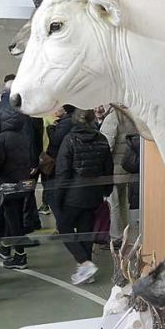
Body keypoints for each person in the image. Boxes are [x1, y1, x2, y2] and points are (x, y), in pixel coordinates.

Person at [52, 109, 113, 285]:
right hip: (94, 192)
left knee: (64, 227)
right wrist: (107, 190)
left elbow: (63, 172)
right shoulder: (101, 140)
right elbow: (108, 169)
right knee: (86, 229)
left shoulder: (69, 140)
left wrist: (58, 197)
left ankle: (84, 262)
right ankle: (87, 271)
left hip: (73, 192)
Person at [0, 91, 33, 270]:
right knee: (14, 219)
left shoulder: (1, 139)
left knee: (12, 220)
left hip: (7, 186)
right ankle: (8, 249)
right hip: (21, 183)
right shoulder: (23, 138)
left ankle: (20, 256)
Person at [98, 105, 140, 242]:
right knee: (123, 203)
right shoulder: (131, 117)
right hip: (127, 168)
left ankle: (116, 235)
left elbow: (106, 146)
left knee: (113, 203)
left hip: (113, 169)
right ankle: (125, 233)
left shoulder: (112, 118)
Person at [39, 105, 75, 215]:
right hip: (55, 160)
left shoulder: (65, 123)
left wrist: (51, 128)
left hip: (56, 161)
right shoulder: (64, 121)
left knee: (54, 192)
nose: (54, 110)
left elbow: (55, 140)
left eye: (58, 107)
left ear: (64, 110)